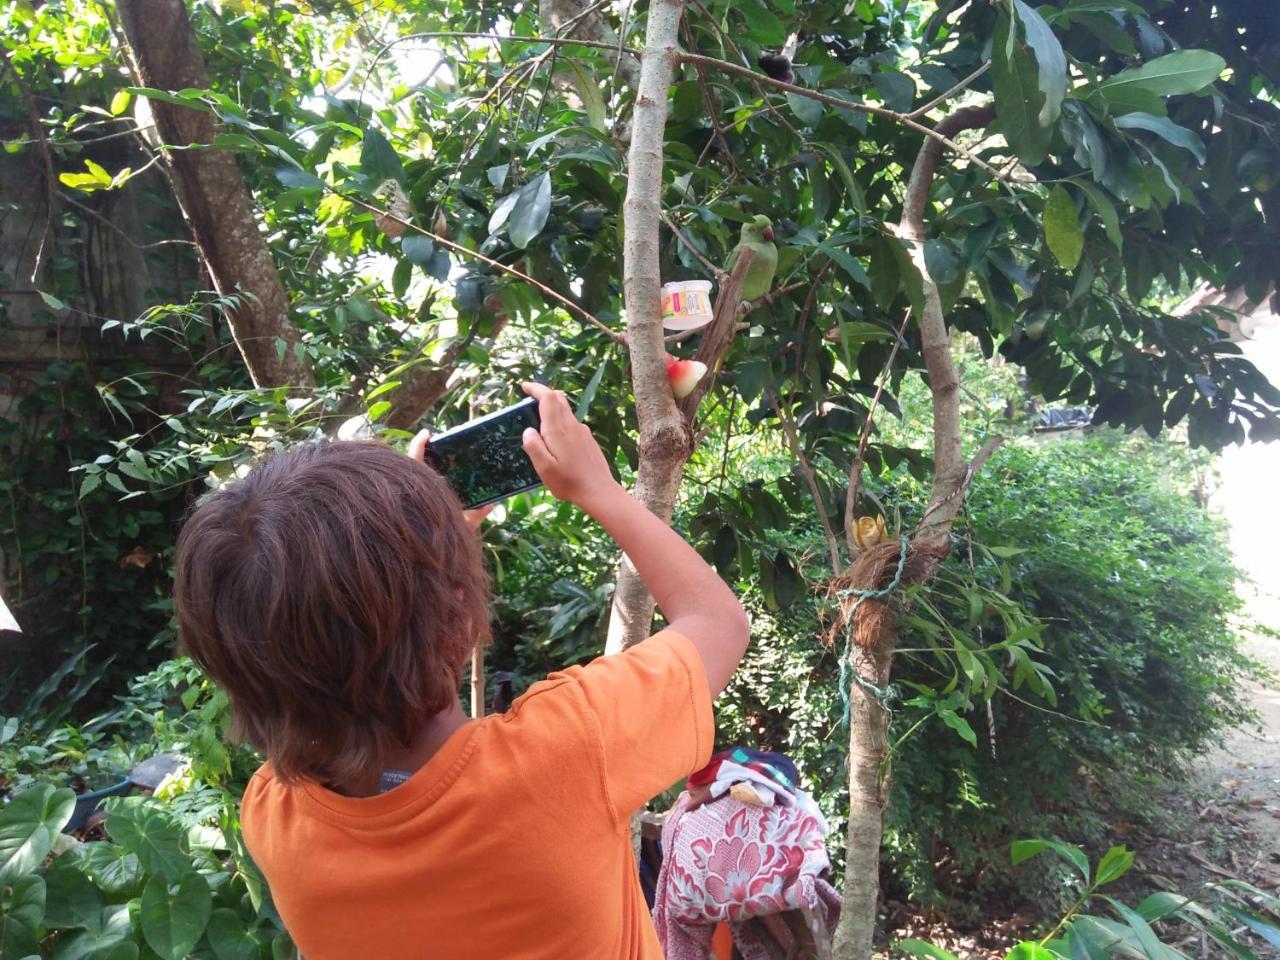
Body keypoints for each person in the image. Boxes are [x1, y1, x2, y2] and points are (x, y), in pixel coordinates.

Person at [173, 382, 751, 959]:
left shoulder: (273, 816)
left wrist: (417, 547)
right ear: (456, 611)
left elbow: (325, 646)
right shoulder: (568, 752)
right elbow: (719, 623)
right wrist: (600, 491)